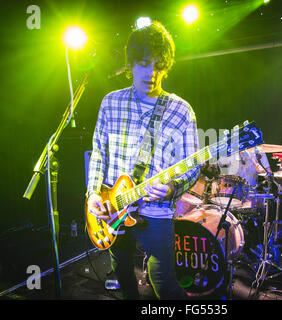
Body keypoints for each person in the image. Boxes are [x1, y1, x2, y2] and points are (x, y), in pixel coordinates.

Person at [86, 21, 200, 300]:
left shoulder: (180, 109)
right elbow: (99, 152)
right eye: (144, 64)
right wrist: (91, 194)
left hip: (157, 211)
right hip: (114, 207)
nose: (152, 73)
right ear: (130, 64)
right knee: (123, 273)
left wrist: (173, 188)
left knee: (164, 282)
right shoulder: (110, 102)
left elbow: (193, 166)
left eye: (159, 65)